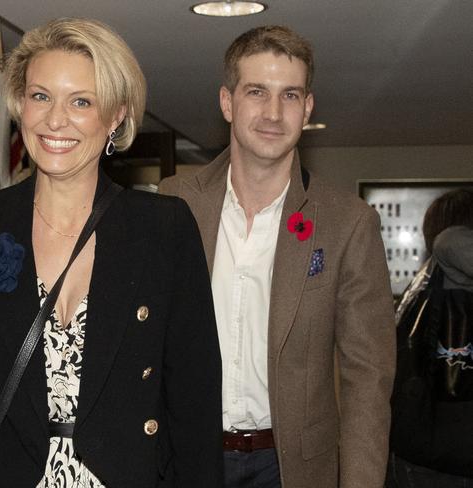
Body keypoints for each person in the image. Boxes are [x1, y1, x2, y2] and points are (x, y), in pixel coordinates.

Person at [0, 18, 223, 488]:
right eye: (40, 96)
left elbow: (194, 395)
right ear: (20, 104)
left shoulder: (164, 229)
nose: (55, 119)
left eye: (81, 101)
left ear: (115, 117)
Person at [160, 25, 395, 488]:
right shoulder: (174, 205)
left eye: (289, 95)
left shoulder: (348, 222)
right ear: (227, 102)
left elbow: (367, 378)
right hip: (188, 459)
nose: (273, 112)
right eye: (256, 92)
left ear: (307, 109)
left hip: (292, 470)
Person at [387, 189, 473, 488]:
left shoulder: (426, 278)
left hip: (416, 446)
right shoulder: (451, 255)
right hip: (444, 453)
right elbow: (450, 239)